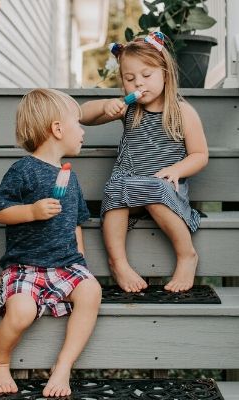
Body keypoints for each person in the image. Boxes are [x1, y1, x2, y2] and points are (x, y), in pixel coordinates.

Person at [0, 88, 102, 397]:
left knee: (92, 290)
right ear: (57, 129)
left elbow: (77, 222)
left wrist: (80, 258)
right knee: (22, 312)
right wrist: (31, 211)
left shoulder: (70, 177)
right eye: (78, 123)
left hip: (65, 265)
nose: (82, 131)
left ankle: (63, 366)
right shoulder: (23, 170)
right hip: (26, 267)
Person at [80, 32, 208, 294]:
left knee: (153, 188)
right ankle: (118, 263)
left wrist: (176, 170)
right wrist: (106, 106)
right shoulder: (129, 109)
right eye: (130, 78)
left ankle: (186, 255)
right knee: (114, 187)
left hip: (164, 190)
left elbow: (199, 155)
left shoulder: (182, 111)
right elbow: (82, 115)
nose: (138, 83)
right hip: (128, 186)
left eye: (146, 76)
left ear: (165, 73)